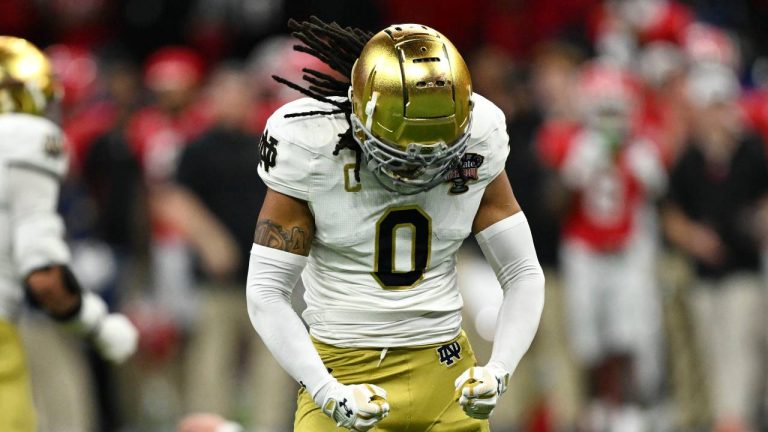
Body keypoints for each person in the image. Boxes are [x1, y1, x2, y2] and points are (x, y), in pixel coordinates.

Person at [246, 17, 545, 431]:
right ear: (359, 113)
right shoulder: (312, 143)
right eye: (402, 152)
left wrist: (499, 368)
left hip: (448, 375)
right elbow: (266, 290)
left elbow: (523, 272)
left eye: (436, 153)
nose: (419, 168)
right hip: (343, 372)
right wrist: (326, 390)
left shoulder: (481, 134)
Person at [0, 36, 138, 432]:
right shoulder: (29, 144)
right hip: (19, 317)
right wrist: (97, 325)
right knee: (61, 400)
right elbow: (44, 277)